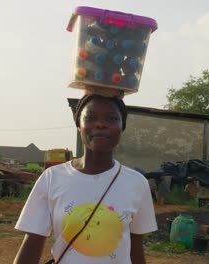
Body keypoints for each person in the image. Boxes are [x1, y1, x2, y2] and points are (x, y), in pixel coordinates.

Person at [14, 93, 157, 264]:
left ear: (122, 127)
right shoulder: (52, 178)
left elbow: (135, 249)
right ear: (78, 125)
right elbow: (31, 244)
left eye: (111, 118)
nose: (101, 124)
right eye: (90, 117)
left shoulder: (137, 183)